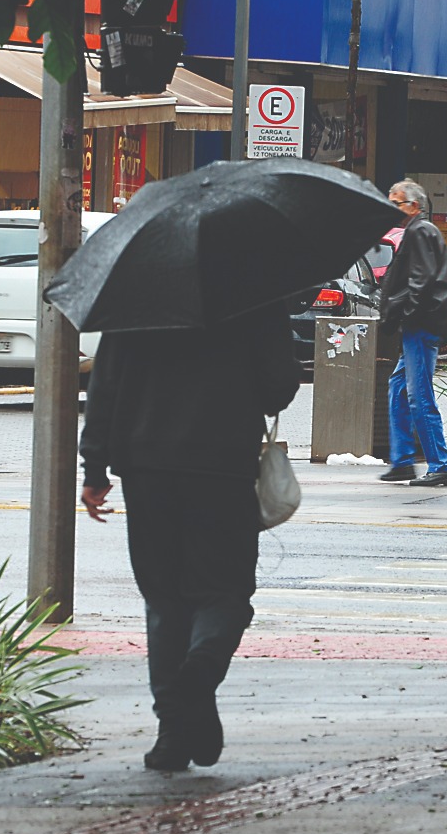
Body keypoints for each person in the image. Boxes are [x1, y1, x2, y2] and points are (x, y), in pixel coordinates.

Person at [79, 304, 301, 771]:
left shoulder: (139, 293)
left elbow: (105, 384)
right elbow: (280, 385)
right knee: (225, 593)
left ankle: (172, 735)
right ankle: (201, 670)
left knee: (164, 600)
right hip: (223, 463)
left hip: (146, 464)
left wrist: (94, 467)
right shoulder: (253, 294)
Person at [378, 179, 447, 488]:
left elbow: (421, 282)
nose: (391, 208)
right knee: (399, 388)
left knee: (419, 395)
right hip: (419, 324)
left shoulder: (420, 232)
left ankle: (442, 464)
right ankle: (402, 461)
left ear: (414, 206)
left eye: (396, 202)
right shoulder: (419, 231)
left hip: (421, 325)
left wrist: (406, 314)